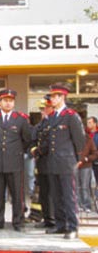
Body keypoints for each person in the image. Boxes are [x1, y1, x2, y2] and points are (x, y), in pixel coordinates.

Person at [0, 89, 31, 232]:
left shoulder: (21, 119)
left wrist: (16, 151)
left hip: (14, 163)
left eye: (11, 101)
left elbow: (26, 140)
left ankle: (18, 222)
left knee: (17, 195)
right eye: (5, 100)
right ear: (0, 102)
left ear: (14, 102)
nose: (8, 103)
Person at [45, 84, 85, 239]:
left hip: (67, 162)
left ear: (63, 97)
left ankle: (73, 227)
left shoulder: (71, 115)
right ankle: (60, 224)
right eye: (52, 96)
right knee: (56, 195)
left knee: (69, 196)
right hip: (53, 162)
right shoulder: (53, 116)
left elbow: (79, 140)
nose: (52, 99)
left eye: (55, 96)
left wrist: (78, 159)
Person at [30, 94, 55, 228]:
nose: (42, 111)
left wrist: (38, 150)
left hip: (52, 162)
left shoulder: (54, 122)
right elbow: (33, 138)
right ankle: (47, 219)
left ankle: (54, 220)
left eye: (45, 108)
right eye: (41, 109)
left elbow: (50, 142)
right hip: (41, 163)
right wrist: (33, 149)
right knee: (44, 193)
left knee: (52, 193)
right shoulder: (41, 124)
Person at [76, 128, 98, 213]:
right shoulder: (72, 139)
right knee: (76, 186)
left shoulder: (89, 140)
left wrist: (86, 158)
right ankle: (78, 205)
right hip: (76, 165)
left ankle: (87, 205)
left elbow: (95, 153)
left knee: (85, 187)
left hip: (86, 166)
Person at [87, 117, 98, 193]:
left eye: (90, 123)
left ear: (95, 123)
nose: (88, 124)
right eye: (88, 123)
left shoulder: (96, 135)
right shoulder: (86, 134)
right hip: (87, 162)